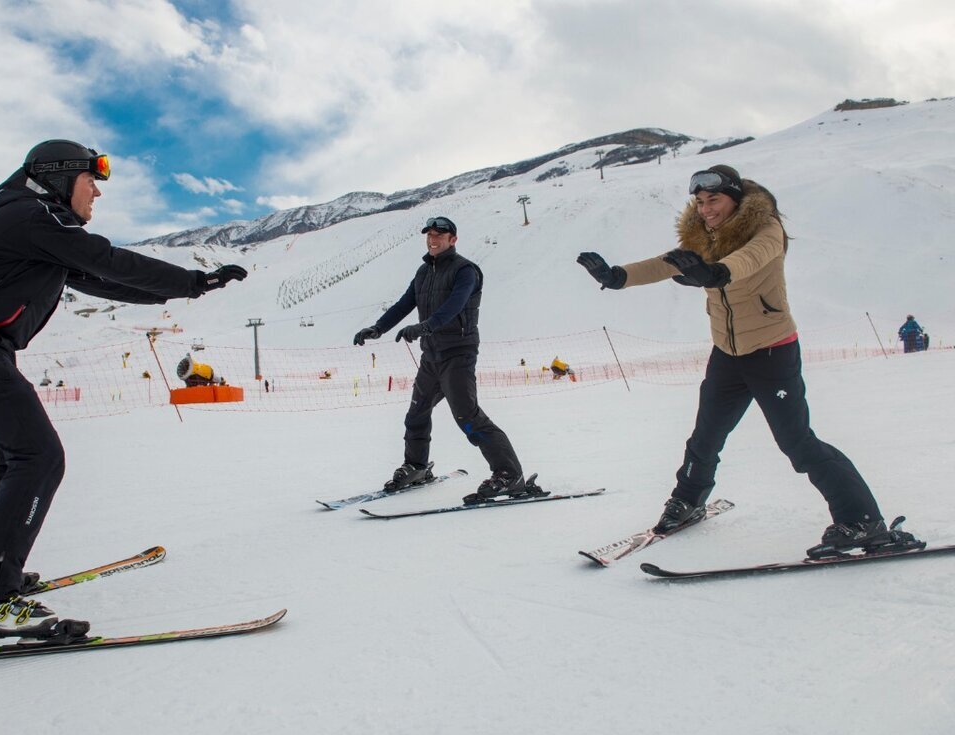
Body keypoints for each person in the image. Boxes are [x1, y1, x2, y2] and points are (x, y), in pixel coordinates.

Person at [0, 140, 247, 651]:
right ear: (60, 178)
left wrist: (195, 286)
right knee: (38, 457)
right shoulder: (31, 216)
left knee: (11, 457)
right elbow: (105, 258)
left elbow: (102, 279)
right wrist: (192, 279)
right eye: (92, 182)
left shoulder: (33, 226)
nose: (97, 194)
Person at [576, 165, 918, 556]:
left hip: (772, 351)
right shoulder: (703, 237)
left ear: (735, 199)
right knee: (705, 438)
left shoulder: (767, 230)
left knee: (797, 442)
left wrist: (714, 273)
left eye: (714, 200)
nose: (706, 209)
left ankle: (862, 521)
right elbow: (665, 263)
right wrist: (617, 276)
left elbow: (748, 259)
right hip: (727, 354)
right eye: (700, 202)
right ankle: (688, 502)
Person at [353, 216, 532, 504]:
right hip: (431, 356)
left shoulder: (466, 271)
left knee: (467, 416)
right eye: (430, 235)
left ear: (453, 239)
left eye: (439, 235)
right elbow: (404, 303)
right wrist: (378, 328)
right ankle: (417, 467)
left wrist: (424, 327)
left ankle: (509, 474)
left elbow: (454, 306)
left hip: (458, 353)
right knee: (416, 414)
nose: (433, 239)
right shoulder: (424, 272)